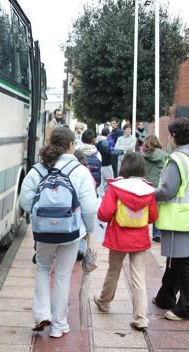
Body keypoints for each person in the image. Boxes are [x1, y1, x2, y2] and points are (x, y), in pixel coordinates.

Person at [19, 127, 98, 337]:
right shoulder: (80, 171)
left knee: (43, 269)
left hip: (44, 232)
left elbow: (25, 200)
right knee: (63, 274)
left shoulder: (38, 169)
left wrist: (40, 218)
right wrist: (88, 230)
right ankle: (58, 325)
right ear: (71, 145)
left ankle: (42, 314)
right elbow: (90, 207)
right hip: (71, 232)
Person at [93, 152, 158, 330]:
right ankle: (141, 318)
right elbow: (153, 216)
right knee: (138, 276)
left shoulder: (116, 187)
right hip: (139, 238)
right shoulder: (149, 189)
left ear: (124, 166)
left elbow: (104, 214)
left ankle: (104, 301)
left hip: (118, 236)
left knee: (113, 270)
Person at [153, 118, 189, 321]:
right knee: (176, 260)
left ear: (174, 136)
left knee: (183, 263)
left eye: (169, 134)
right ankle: (165, 297)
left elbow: (168, 190)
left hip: (181, 218)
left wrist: (149, 194)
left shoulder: (177, 159)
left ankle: (188, 308)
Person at [142, 134, 168, 242]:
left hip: (144, 184)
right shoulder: (164, 155)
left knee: (143, 210)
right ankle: (157, 233)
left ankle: (142, 233)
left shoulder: (142, 155)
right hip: (157, 185)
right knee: (156, 210)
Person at [96, 127, 114, 197]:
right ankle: (108, 197)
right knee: (110, 181)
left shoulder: (98, 141)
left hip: (100, 165)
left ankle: (101, 199)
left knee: (101, 183)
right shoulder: (105, 142)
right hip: (107, 165)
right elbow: (109, 153)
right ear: (108, 134)